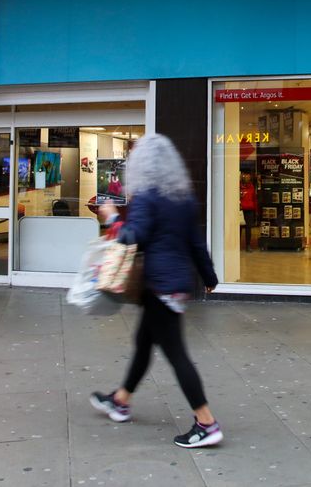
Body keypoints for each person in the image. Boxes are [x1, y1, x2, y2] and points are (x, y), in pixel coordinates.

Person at [90, 133, 222, 448]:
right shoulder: (183, 198)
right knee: (143, 342)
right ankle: (120, 401)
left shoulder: (147, 197)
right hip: (172, 284)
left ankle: (206, 422)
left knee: (176, 354)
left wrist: (110, 218)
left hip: (159, 285)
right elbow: (195, 243)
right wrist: (209, 276)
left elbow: (133, 236)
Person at [239, 173, 258, 252]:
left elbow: (254, 199)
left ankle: (248, 245)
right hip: (240, 209)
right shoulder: (237, 187)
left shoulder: (251, 187)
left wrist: (256, 210)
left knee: (248, 228)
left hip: (249, 209)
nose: (246, 178)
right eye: (245, 176)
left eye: (248, 176)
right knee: (238, 228)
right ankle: (237, 245)